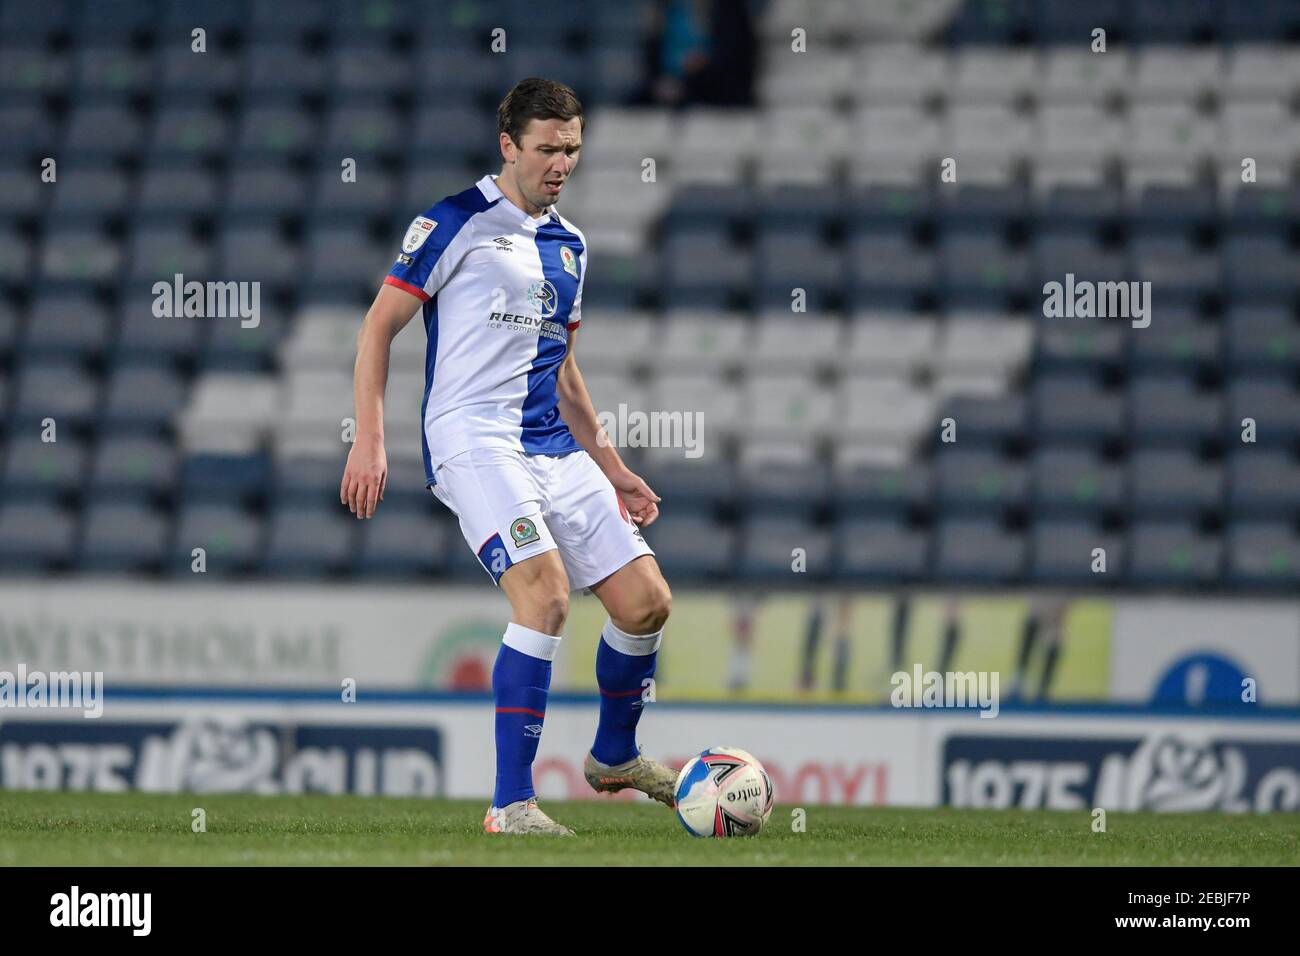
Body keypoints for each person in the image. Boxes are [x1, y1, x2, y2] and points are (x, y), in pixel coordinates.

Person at [340, 78, 675, 836]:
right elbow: (377, 329)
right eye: (548, 149)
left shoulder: (572, 245)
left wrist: (613, 465)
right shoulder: (452, 221)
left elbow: (563, 370)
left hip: (551, 446)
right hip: (473, 438)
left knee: (647, 600)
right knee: (546, 595)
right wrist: (369, 435)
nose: (562, 164)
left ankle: (614, 757)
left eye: (573, 150)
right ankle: (511, 805)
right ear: (509, 145)